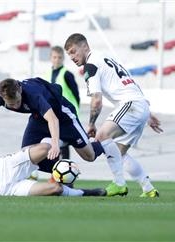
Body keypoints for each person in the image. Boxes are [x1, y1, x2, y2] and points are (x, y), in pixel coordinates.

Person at [0, 78, 125, 196]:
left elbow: (53, 119)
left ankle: (104, 144)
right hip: (38, 118)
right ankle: (61, 174)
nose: (15, 106)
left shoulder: (33, 94)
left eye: (18, 101)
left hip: (63, 116)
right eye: (11, 105)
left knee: (89, 156)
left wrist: (55, 145)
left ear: (19, 89)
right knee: (27, 155)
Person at [64, 33, 163, 198]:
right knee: (119, 153)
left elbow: (96, 100)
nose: (72, 57)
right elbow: (129, 82)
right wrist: (148, 113)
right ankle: (148, 188)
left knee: (102, 136)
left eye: (74, 51)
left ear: (84, 46)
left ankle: (119, 184)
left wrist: (91, 124)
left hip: (130, 105)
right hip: (139, 105)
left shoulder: (91, 66)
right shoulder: (104, 57)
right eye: (69, 55)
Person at [46, 45, 80, 159]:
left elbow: (76, 95)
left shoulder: (67, 74)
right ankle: (56, 171)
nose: (57, 60)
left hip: (67, 113)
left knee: (64, 142)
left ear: (63, 58)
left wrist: (75, 111)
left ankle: (66, 168)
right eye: (54, 57)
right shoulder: (48, 74)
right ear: (50, 58)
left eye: (59, 57)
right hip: (54, 112)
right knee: (54, 141)